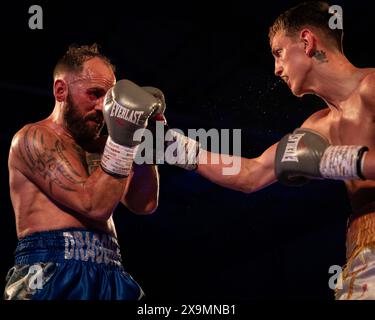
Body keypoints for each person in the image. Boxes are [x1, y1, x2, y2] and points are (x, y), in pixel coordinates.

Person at [143, 2, 375, 299]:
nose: (276, 68)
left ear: (307, 42)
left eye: (279, 53)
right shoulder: (318, 127)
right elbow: (250, 174)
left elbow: (334, 163)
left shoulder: (371, 85)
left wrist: (338, 161)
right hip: (361, 251)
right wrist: (169, 143)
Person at [4, 44, 161, 300]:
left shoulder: (105, 146)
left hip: (111, 272)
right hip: (51, 272)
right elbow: (93, 204)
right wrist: (123, 140)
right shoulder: (32, 139)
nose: (102, 108)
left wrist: (143, 136)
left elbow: (144, 203)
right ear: (60, 90)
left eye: (108, 98)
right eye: (94, 94)